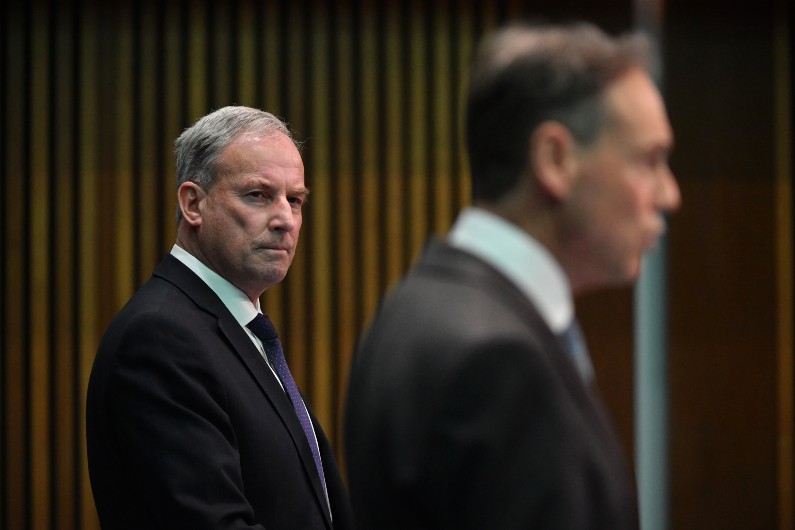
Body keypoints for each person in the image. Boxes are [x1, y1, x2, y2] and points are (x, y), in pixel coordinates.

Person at [344, 21, 681, 530]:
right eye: (649, 161)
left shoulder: (414, 305)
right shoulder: (497, 359)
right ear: (555, 159)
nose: (668, 194)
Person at [87, 106, 355, 530]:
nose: (286, 219)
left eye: (296, 200)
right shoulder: (160, 337)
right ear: (193, 203)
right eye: (258, 195)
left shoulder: (238, 330)